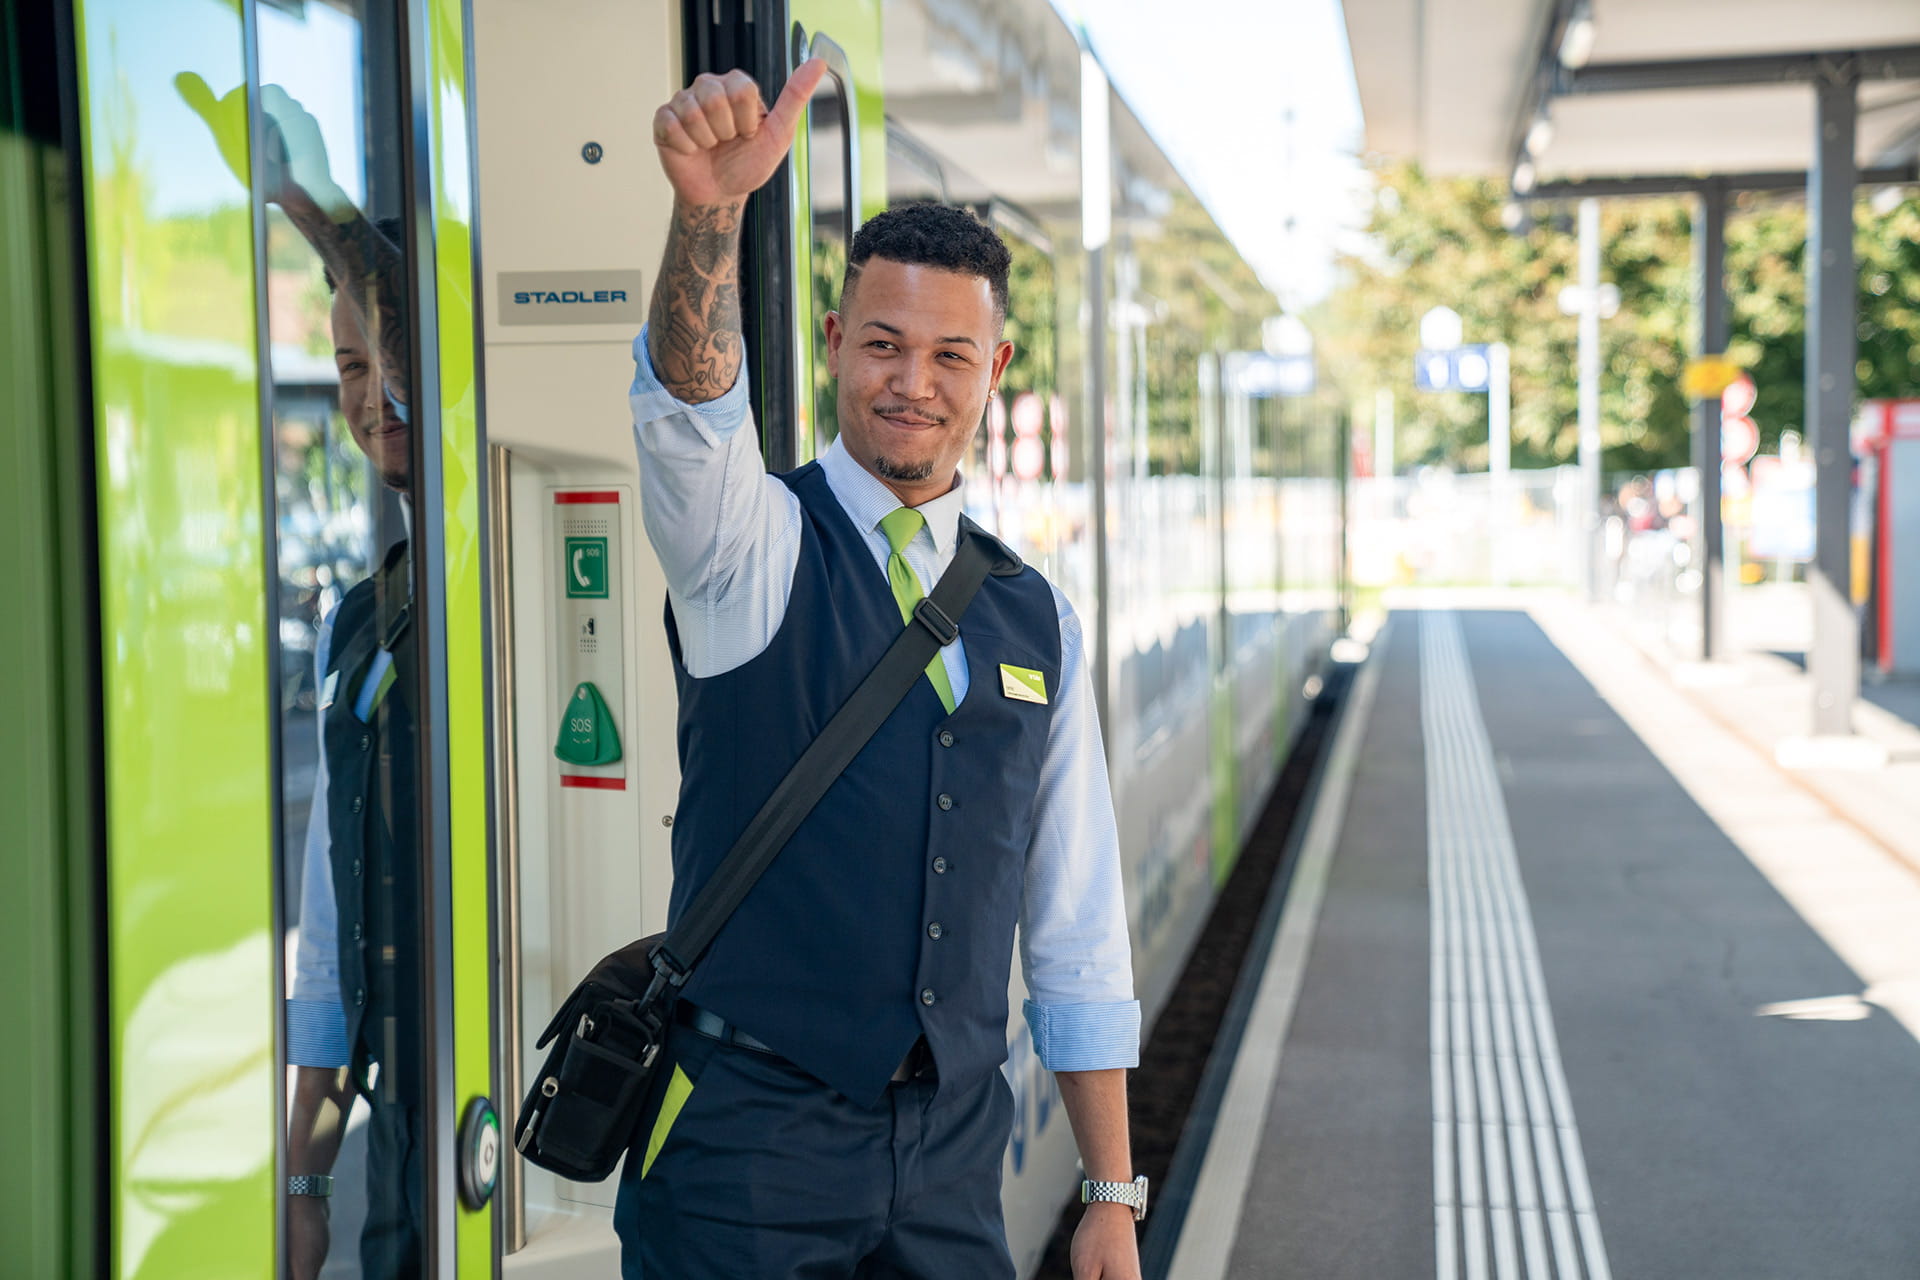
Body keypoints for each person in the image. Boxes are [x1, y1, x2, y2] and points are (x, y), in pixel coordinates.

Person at [617, 60, 1144, 1280]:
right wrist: (708, 214)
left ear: (995, 372)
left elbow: (1075, 926)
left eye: (950, 356)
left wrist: (1111, 1189)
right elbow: (689, 417)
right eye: (886, 344)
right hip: (746, 1149)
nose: (914, 383)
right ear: (835, 341)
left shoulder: (1037, 617)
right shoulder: (747, 547)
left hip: (956, 1153)